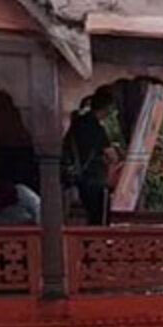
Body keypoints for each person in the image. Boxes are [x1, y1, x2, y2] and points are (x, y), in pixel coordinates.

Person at [63, 89, 120, 225]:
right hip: (96, 177)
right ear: (107, 108)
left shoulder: (76, 124)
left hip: (78, 175)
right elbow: (111, 155)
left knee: (89, 212)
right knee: (99, 217)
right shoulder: (97, 128)